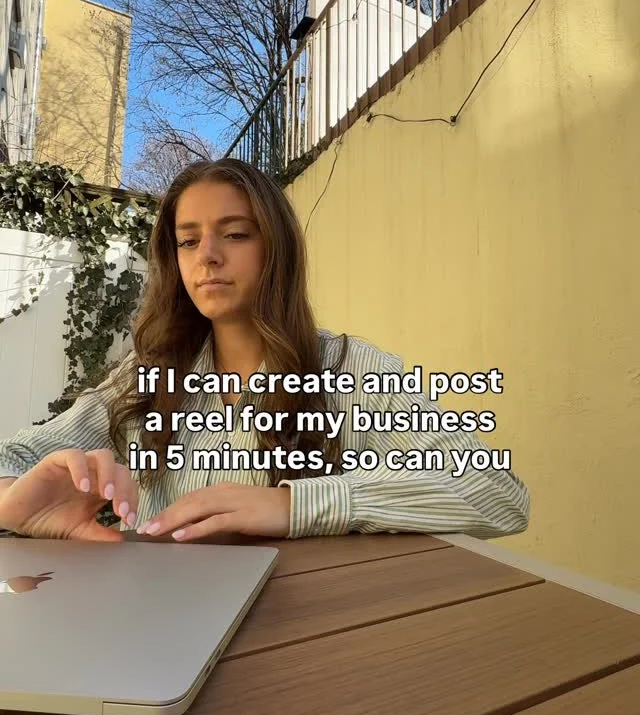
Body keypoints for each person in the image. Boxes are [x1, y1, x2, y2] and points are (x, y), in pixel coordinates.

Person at [0, 159, 529, 544]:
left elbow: (496, 492)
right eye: (188, 241)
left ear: (276, 249)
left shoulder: (352, 369)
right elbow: (11, 458)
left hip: (305, 637)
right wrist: (14, 500)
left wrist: (295, 504)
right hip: (155, 625)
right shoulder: (146, 374)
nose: (207, 256)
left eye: (234, 234)